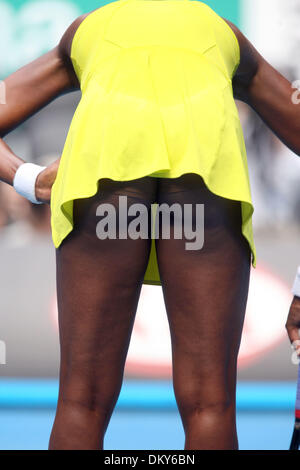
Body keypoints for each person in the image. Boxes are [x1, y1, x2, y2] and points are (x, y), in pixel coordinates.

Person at [1, 0, 300, 450]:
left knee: (81, 403)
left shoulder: (88, 29)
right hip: (203, 191)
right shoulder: (223, 31)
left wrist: (27, 180)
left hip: (105, 191)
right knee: (210, 405)